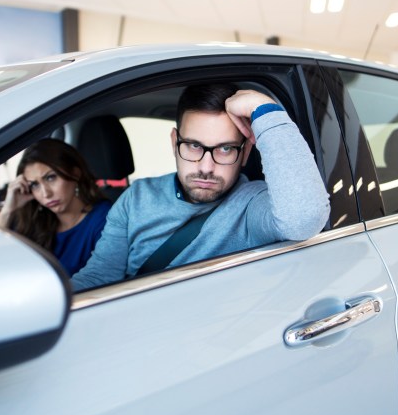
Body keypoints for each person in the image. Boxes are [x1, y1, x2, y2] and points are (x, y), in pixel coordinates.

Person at [70, 83, 330, 292]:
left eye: (225, 148)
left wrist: (263, 108)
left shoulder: (253, 204)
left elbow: (304, 218)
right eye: (194, 146)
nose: (206, 167)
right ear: (175, 143)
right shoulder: (136, 197)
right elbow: (99, 276)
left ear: (246, 151)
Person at [0, 138, 111, 277]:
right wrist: (7, 211)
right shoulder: (37, 222)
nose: (45, 193)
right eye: (34, 185)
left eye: (51, 178)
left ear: (75, 174)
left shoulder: (105, 219)